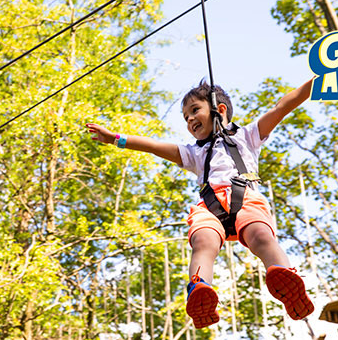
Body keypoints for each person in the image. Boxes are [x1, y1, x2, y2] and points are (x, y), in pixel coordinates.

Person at [85, 78, 315, 329]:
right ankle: (199, 286)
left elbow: (282, 106)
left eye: (195, 110)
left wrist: (316, 82)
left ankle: (283, 275)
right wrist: (116, 139)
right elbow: (153, 146)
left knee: (259, 234)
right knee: (203, 241)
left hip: (245, 197)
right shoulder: (193, 152)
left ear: (220, 109)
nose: (189, 120)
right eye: (185, 117)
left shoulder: (248, 136)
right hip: (210, 206)